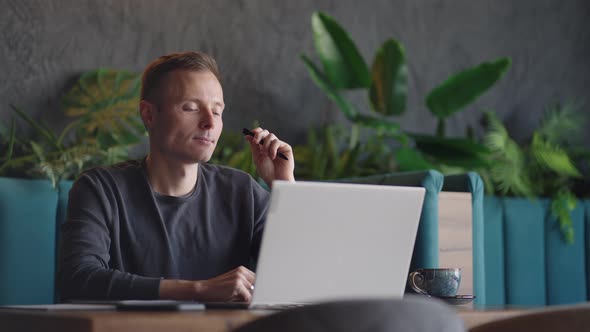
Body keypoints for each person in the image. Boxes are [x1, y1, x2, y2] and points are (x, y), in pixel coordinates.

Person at [57, 51, 295, 303]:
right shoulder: (101, 189)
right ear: (149, 114)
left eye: (217, 111)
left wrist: (284, 188)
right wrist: (199, 290)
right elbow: (78, 278)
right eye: (190, 108)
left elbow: (298, 276)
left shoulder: (242, 191)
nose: (209, 123)